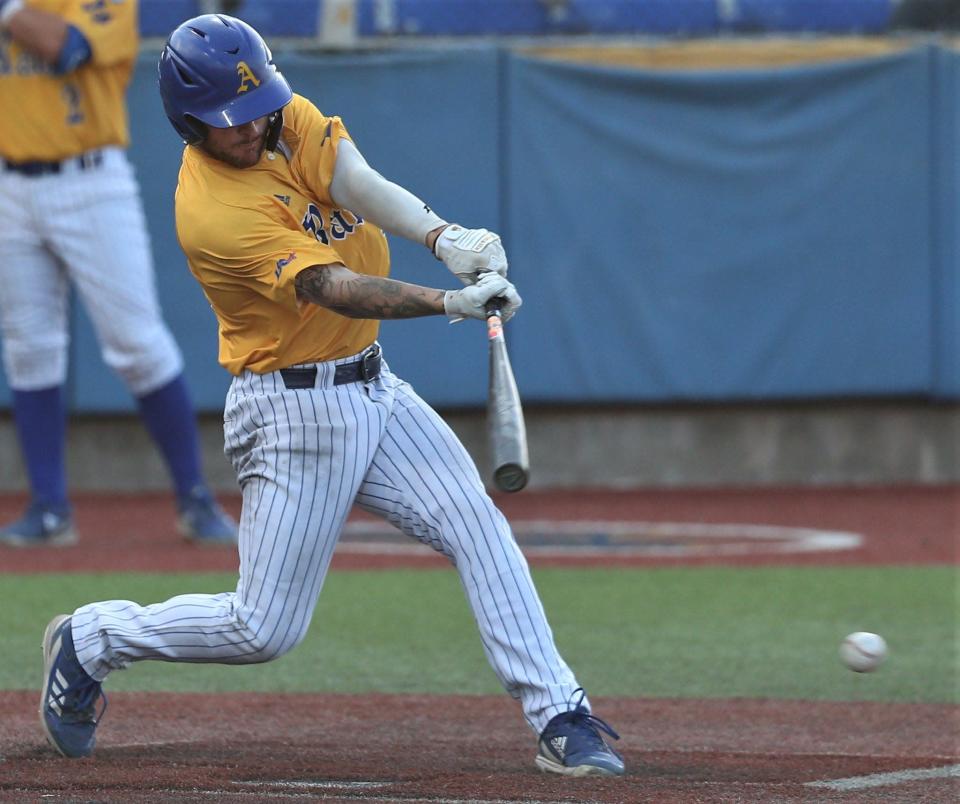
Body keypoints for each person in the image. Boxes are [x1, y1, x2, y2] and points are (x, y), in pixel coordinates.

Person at [36, 13, 625, 777]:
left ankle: (559, 714)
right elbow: (335, 289)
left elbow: (355, 180)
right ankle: (92, 639)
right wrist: (447, 303)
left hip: (373, 387)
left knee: (477, 524)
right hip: (292, 413)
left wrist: (445, 238)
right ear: (189, 123)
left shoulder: (279, 115)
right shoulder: (214, 212)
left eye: (256, 111)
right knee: (263, 629)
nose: (250, 130)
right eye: (229, 122)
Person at [0, 0, 237, 545]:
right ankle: (49, 508)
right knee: (29, 346)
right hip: (12, 183)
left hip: (90, 182)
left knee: (135, 343)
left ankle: (195, 499)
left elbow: (67, 49)